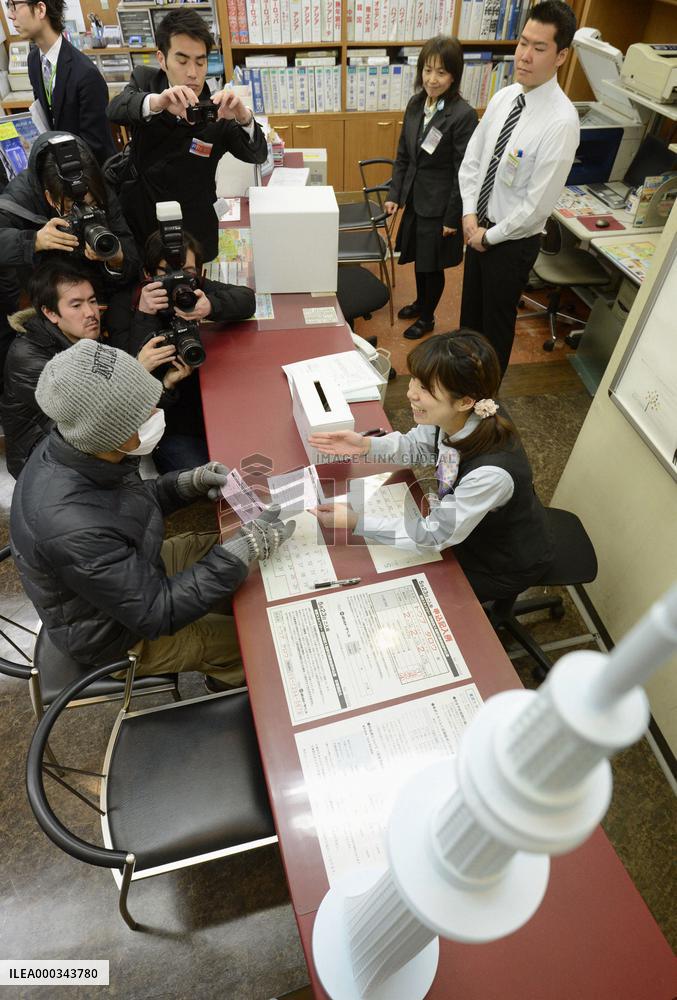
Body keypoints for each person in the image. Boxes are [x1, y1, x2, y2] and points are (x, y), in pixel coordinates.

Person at [10, 339, 295, 689]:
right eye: (142, 413)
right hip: (121, 634)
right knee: (257, 642)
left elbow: (123, 505)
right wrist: (237, 556)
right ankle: (227, 687)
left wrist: (185, 484)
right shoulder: (71, 524)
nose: (156, 414)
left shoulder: (84, 449)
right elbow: (157, 612)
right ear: (110, 432)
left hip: (134, 569)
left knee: (238, 552)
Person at [308, 330, 554, 603]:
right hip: (463, 530)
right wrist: (366, 446)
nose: (411, 393)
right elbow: (418, 447)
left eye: (425, 388)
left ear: (465, 401)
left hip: (499, 563)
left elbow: (435, 534)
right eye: (414, 379)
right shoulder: (460, 417)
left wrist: (356, 521)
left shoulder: (491, 474)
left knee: (405, 593)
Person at [458, 0, 579, 374]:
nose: (524, 56)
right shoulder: (505, 97)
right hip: (476, 227)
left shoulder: (561, 122)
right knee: (468, 325)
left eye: (539, 48)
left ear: (561, 56)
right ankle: (460, 394)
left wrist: (487, 237)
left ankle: (485, 408)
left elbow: (535, 209)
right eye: (523, 43)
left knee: (493, 332)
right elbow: (473, 161)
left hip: (508, 243)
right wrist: (468, 214)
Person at [1, 259, 189, 479]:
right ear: (50, 313)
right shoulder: (29, 357)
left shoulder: (83, 337)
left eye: (92, 301)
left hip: (83, 446)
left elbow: (124, 413)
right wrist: (138, 369)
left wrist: (165, 383)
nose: (91, 312)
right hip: (41, 460)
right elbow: (99, 415)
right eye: (76, 305)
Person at [107, 8, 267, 261]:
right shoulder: (146, 82)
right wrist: (158, 102)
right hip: (146, 214)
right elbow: (115, 109)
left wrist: (243, 117)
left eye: (200, 62)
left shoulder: (217, 107)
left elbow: (257, 154)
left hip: (196, 221)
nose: (193, 72)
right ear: (162, 59)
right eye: (182, 61)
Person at [105, 228, 256, 472]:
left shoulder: (193, 289)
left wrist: (212, 306)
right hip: (169, 422)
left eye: (186, 272)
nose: (177, 281)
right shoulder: (125, 305)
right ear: (147, 273)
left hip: (214, 403)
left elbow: (247, 299)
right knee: (206, 481)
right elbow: (130, 379)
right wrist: (146, 315)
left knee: (251, 464)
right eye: (165, 274)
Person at [385, 36, 477, 341]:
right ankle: (420, 302)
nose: (432, 79)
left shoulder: (462, 115)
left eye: (441, 73)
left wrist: (454, 217)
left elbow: (463, 171)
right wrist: (395, 195)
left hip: (440, 207)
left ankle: (428, 317)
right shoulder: (415, 104)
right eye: (427, 70)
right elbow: (403, 154)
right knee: (418, 259)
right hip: (415, 198)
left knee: (432, 265)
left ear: (454, 75)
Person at [0, 132, 140, 306]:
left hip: (102, 291)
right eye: (72, 208)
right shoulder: (21, 197)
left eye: (92, 204)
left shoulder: (100, 190)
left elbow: (130, 253)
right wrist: (34, 241)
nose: (85, 212)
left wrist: (117, 260)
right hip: (51, 296)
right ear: (50, 198)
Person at [7, 0, 115, 165]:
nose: (10, 14)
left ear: (40, 9)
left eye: (14, 5)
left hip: (90, 176)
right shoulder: (34, 60)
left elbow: (96, 148)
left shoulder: (86, 74)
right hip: (59, 167)